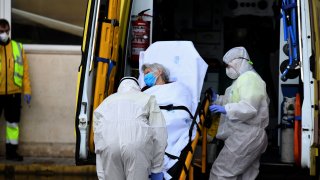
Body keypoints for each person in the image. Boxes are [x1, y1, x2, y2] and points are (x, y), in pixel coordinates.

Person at [209, 47, 269, 180]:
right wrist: (218, 99)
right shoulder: (241, 79)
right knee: (246, 176)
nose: (227, 69)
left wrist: (226, 109)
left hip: (246, 136)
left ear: (237, 63)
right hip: (248, 135)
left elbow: (249, 107)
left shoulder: (250, 78)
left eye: (228, 65)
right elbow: (232, 100)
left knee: (221, 172)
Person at [93, 77, 167, 180]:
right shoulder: (147, 98)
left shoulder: (104, 103)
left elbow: (98, 141)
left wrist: (101, 175)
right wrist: (156, 168)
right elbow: (159, 133)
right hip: (136, 146)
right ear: (138, 88)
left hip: (109, 147)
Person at [141, 63, 193, 180]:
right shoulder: (144, 92)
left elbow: (185, 109)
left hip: (172, 121)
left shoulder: (178, 88)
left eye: (147, 73)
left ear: (159, 72)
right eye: (144, 75)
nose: (145, 77)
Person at [0, 18, 31, 161]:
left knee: (13, 124)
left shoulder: (17, 47)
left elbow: (24, 72)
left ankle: (11, 153)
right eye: (1, 31)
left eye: (6, 31)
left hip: (14, 94)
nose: (4, 34)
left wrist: (27, 91)